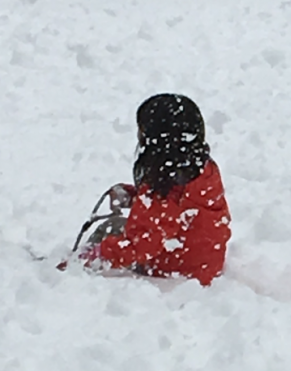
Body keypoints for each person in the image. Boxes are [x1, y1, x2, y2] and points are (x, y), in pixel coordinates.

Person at [82, 93, 231, 286]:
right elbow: (176, 213)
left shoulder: (164, 189)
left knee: (110, 228)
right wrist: (135, 197)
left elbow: (143, 243)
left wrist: (100, 253)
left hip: (176, 268)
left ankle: (78, 266)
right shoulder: (204, 170)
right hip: (205, 262)